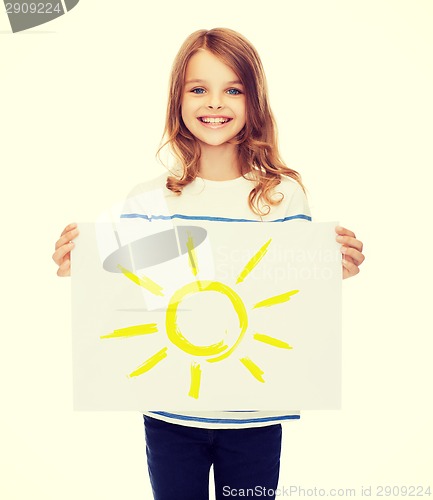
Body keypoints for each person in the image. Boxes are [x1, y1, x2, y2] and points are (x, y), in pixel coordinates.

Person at [53, 28, 364, 500]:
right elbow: (133, 295)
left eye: (232, 89)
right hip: (169, 414)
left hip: (255, 415)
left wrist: (331, 268)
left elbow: (291, 294)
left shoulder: (281, 196)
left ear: (253, 100)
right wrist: (84, 268)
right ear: (177, 98)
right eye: (199, 88)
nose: (214, 103)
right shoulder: (149, 199)